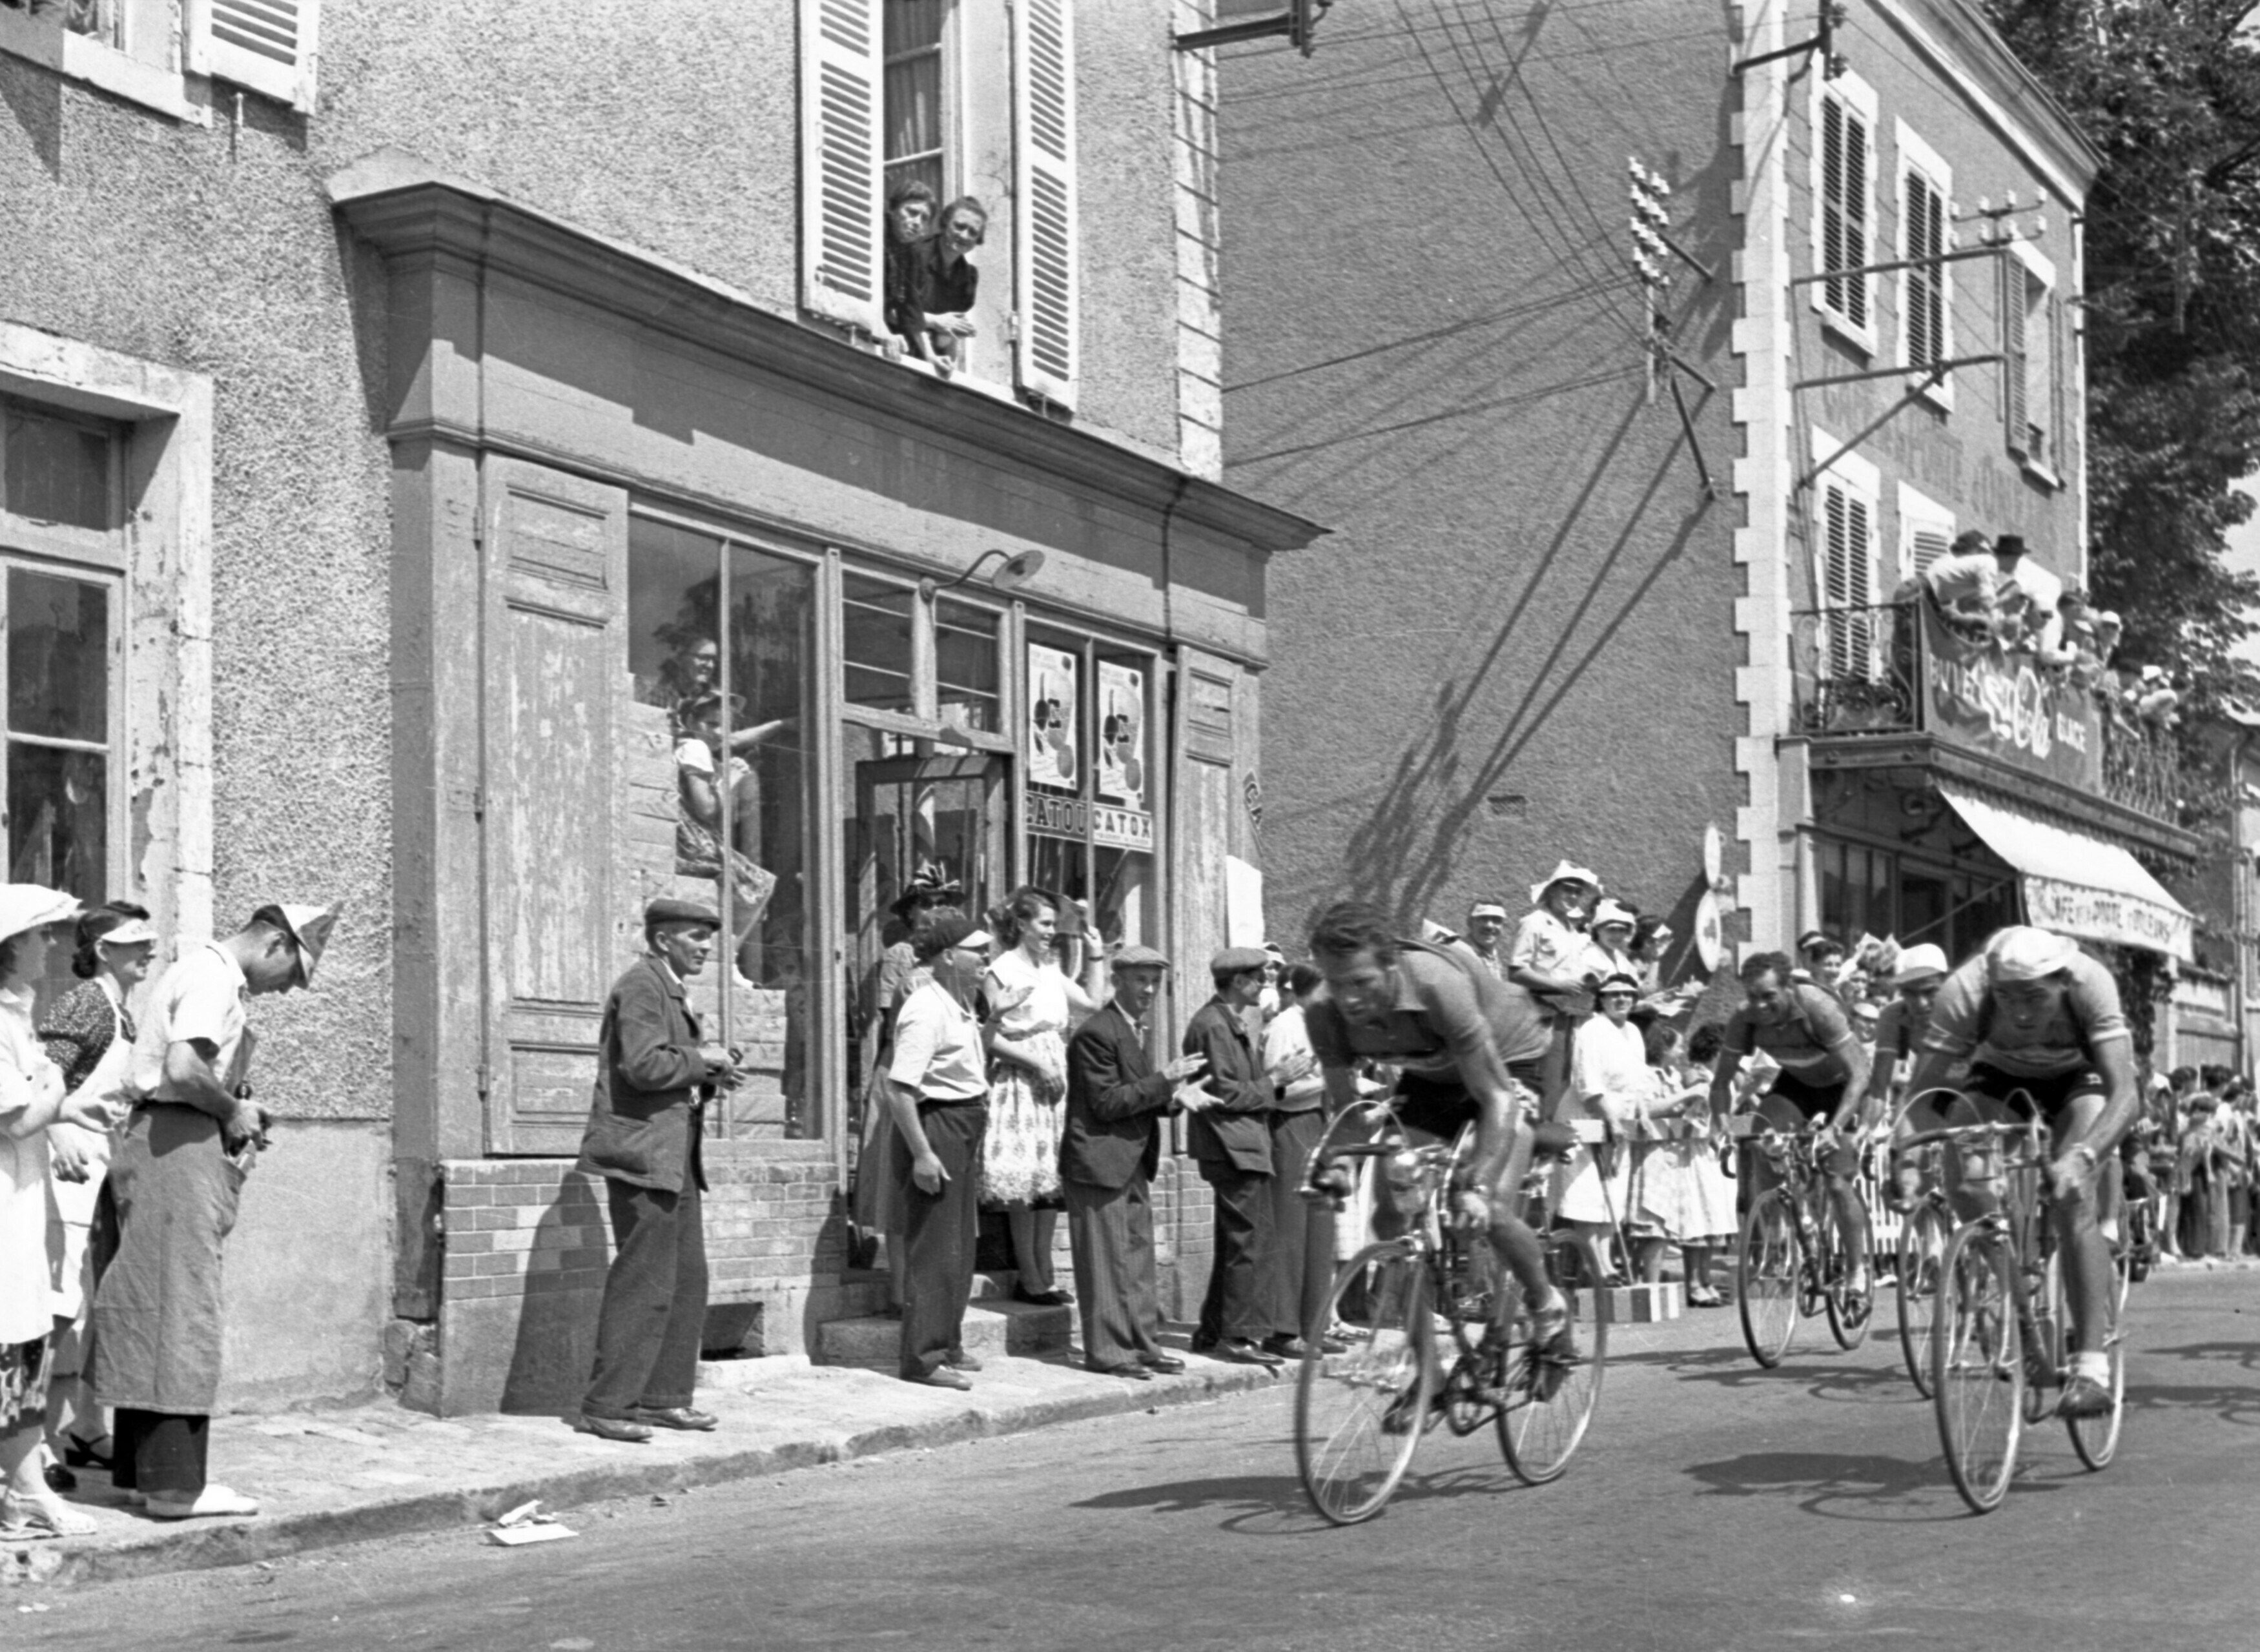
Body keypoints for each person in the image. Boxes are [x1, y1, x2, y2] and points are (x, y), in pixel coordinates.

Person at [91, 901, 336, 1520]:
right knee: (184, 1306)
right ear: (277, 943)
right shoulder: (214, 976)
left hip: (157, 1139)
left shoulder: (197, 971)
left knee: (151, 1300)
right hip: (177, 1141)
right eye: (293, 973)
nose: (286, 989)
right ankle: (177, 1487)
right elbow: (183, 1066)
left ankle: (139, 1475)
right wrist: (233, 1110)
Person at [1303, 902, 1577, 1360]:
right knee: (1392, 1216)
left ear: (1391, 966)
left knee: (1483, 1204)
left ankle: (1547, 1304)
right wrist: (1338, 1162)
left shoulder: (1436, 984)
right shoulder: (1323, 1012)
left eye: (1362, 982)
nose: (1349, 998)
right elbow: (1348, 1105)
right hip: (1431, 1071)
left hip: (1508, 1058)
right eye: (1337, 983)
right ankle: (1428, 1370)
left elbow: (1497, 1098)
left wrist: (1479, 1182)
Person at [1899, 926, 2137, 1419]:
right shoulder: (1964, 991)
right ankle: (2013, 1298)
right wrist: (1906, 1158)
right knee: (1964, 1172)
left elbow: (2127, 1096)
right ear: (1991, 985)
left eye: (2035, 997)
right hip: (1998, 1075)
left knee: (2074, 1198)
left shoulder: (2091, 982)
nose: (2022, 1013)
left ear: (2062, 982)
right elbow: (1921, 1098)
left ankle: (2092, 1367)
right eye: (2007, 999)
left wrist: (2085, 1157)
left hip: (2077, 1076)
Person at [573, 898, 739, 1444]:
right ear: (663, 939)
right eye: (695, 936)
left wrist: (708, 1073)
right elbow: (641, 1067)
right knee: (644, 1283)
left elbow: (669, 1068)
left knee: (687, 1280)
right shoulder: (642, 985)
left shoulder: (668, 986)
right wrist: (703, 1060)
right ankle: (607, 1404)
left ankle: (662, 1398)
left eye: (708, 936)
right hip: (644, 1156)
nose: (706, 946)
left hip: (675, 1157)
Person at [1, 885, 117, 1538]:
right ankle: (22, 1491)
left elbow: (43, 1099)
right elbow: (19, 1117)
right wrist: (54, 1096)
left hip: (20, 1200)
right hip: (4, 1200)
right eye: (39, 935)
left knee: (22, 1341)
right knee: (10, 1339)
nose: (50, 946)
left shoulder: (17, 1013)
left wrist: (64, 1115)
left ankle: (24, 1491)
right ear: (7, 946)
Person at [37, 902, 157, 1491]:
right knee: (56, 1308)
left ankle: (83, 1426)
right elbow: (39, 1078)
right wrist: (58, 1135)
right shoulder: (84, 1002)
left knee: (88, 1307)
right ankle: (32, 1441)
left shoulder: (123, 1014)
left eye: (151, 940)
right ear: (103, 949)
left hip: (104, 1172)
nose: (149, 950)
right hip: (67, 1170)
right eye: (136, 941)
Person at [1058, 944, 1207, 1379]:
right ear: (1117, 981)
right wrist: (1165, 1080)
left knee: (1138, 1261)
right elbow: (1106, 1102)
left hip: (1130, 1160)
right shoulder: (1096, 1032)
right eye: (1140, 980)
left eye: (1155, 982)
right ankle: (1107, 1352)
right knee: (1106, 1262)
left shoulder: (1130, 1029)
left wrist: (1174, 1098)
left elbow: (1133, 1096)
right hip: (1099, 1162)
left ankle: (1144, 1345)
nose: (1149, 989)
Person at [1707, 950, 1873, 1296]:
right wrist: (1720, 1124)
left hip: (1842, 1088)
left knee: (1839, 1183)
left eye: (1769, 997)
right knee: (1760, 1138)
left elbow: (1860, 1074)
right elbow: (1721, 1082)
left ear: (1788, 990)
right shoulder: (1746, 1019)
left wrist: (1834, 1127)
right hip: (1797, 1084)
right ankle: (1789, 1222)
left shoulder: (1818, 1008)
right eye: (1753, 998)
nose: (1761, 1006)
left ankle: (1857, 1269)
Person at [884, 908, 994, 1390]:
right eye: (979, 954)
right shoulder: (926, 1008)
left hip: (964, 1122)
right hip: (937, 1126)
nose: (987, 962)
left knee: (958, 1244)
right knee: (933, 1246)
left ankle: (947, 1341)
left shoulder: (960, 1002)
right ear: (949, 956)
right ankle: (922, 1358)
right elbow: (899, 1089)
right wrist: (924, 1154)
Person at [980, 887, 1096, 1307]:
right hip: (1021, 1075)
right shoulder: (1001, 969)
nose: (1051, 932)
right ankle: (1028, 1277)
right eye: (1045, 924)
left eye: (1053, 924)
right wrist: (1037, 1063)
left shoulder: (1051, 968)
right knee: (1025, 1179)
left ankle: (1045, 1274)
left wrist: (1094, 954)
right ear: (1023, 925)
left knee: (1049, 1181)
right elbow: (990, 1037)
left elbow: (1092, 1003)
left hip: (1054, 1075)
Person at [852, 864, 960, 1307]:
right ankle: (901, 1292)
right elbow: (883, 1021)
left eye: (941, 904)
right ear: (912, 913)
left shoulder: (955, 959)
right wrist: (868, 1077)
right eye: (926, 905)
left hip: (941, 1073)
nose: (934, 912)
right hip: (901, 1067)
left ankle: (931, 1290)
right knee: (898, 1183)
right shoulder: (902, 956)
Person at [1185, 948, 1283, 1367]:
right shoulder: (1214, 1024)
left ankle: (1213, 1330)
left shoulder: (1223, 1020)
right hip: (1231, 1145)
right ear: (1238, 980)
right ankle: (1238, 1334)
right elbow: (1223, 1093)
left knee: (1235, 1240)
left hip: (1238, 1144)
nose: (1264, 984)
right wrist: (1274, 1082)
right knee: (1248, 1241)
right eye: (1259, 977)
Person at [1262, 961, 1337, 1358]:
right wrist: (1329, 1081)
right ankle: (1282, 1327)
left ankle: (1316, 1325)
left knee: (1319, 1233)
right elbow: (1275, 1088)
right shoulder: (1284, 1026)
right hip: (1291, 1127)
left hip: (1320, 1126)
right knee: (1291, 1232)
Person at [1555, 972, 1650, 1285]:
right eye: (1614, 995)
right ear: (1603, 999)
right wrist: (1608, 1119)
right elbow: (1587, 1082)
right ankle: (1595, 1267)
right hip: (1588, 1119)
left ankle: (1609, 1265)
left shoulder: (1634, 1032)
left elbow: (1639, 1082)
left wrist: (1643, 1114)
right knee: (1588, 1194)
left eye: (1627, 994)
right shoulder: (1591, 1029)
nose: (1621, 999)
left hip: (1619, 1124)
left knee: (1612, 1194)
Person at [1631, 1019, 1734, 1306]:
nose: (1681, 1054)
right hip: (1675, 1152)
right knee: (1667, 1225)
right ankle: (1672, 1285)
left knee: (1700, 1222)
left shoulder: (1675, 1077)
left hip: (1694, 1148)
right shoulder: (1686, 1077)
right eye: (1677, 1047)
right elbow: (1674, 1109)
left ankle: (1696, 1282)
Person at [1510, 861, 1607, 1111]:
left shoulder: (1574, 931)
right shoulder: (1535, 922)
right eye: (1567, 890)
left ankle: (1553, 1141)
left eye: (1578, 892)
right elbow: (1517, 971)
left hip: (1570, 1017)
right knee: (1540, 1084)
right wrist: (1559, 985)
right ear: (1552, 891)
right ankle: (1534, 1141)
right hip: (1540, 1014)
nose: (1573, 897)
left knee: (1563, 1084)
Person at [1867, 943, 1949, 1210]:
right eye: (1910, 994)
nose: (1920, 1003)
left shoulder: (1963, 1008)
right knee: (1908, 1165)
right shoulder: (1893, 1015)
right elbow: (1879, 1084)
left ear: (1946, 984)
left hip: (1973, 1091)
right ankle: (1931, 1243)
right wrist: (1865, 1131)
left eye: (1930, 992)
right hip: (1928, 1092)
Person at [903, 196, 985, 378]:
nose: (964, 236)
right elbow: (900, 312)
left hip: (926, 362)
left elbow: (946, 336)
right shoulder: (917, 254)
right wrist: (936, 323)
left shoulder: (967, 276)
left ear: (977, 241)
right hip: (899, 353)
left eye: (973, 232)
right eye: (959, 226)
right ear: (945, 223)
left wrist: (950, 361)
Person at [882, 178, 938, 362]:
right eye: (912, 212)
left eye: (925, 218)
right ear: (892, 210)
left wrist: (930, 356)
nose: (917, 222)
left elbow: (911, 309)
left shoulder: (912, 253)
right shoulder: (876, 232)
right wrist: (883, 332)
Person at [1464, 900, 1509, 980]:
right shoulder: (1461, 953)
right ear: (1470, 923)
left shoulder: (1492, 953)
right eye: (1483, 919)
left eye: (1496, 920)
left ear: (1504, 926)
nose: (1489, 926)